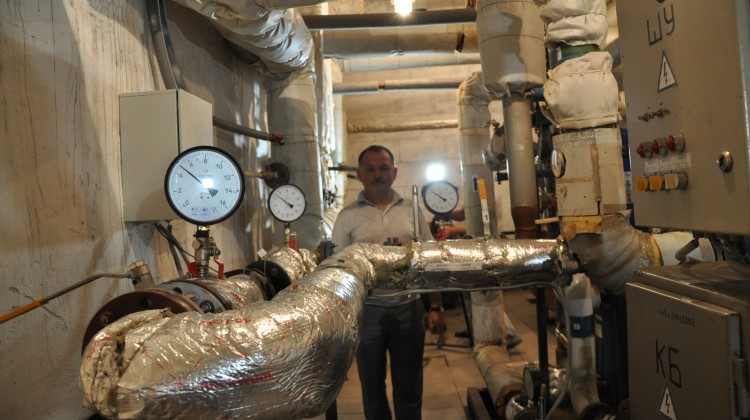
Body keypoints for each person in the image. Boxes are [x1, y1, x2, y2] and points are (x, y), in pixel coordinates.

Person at [332, 145, 447, 420]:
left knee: (409, 387)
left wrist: (436, 307)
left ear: (394, 173)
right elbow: (337, 269)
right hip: (367, 312)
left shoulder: (411, 210)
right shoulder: (347, 217)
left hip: (408, 307)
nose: (378, 174)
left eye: (384, 168)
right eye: (370, 169)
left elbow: (429, 260)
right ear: (360, 174)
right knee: (372, 388)